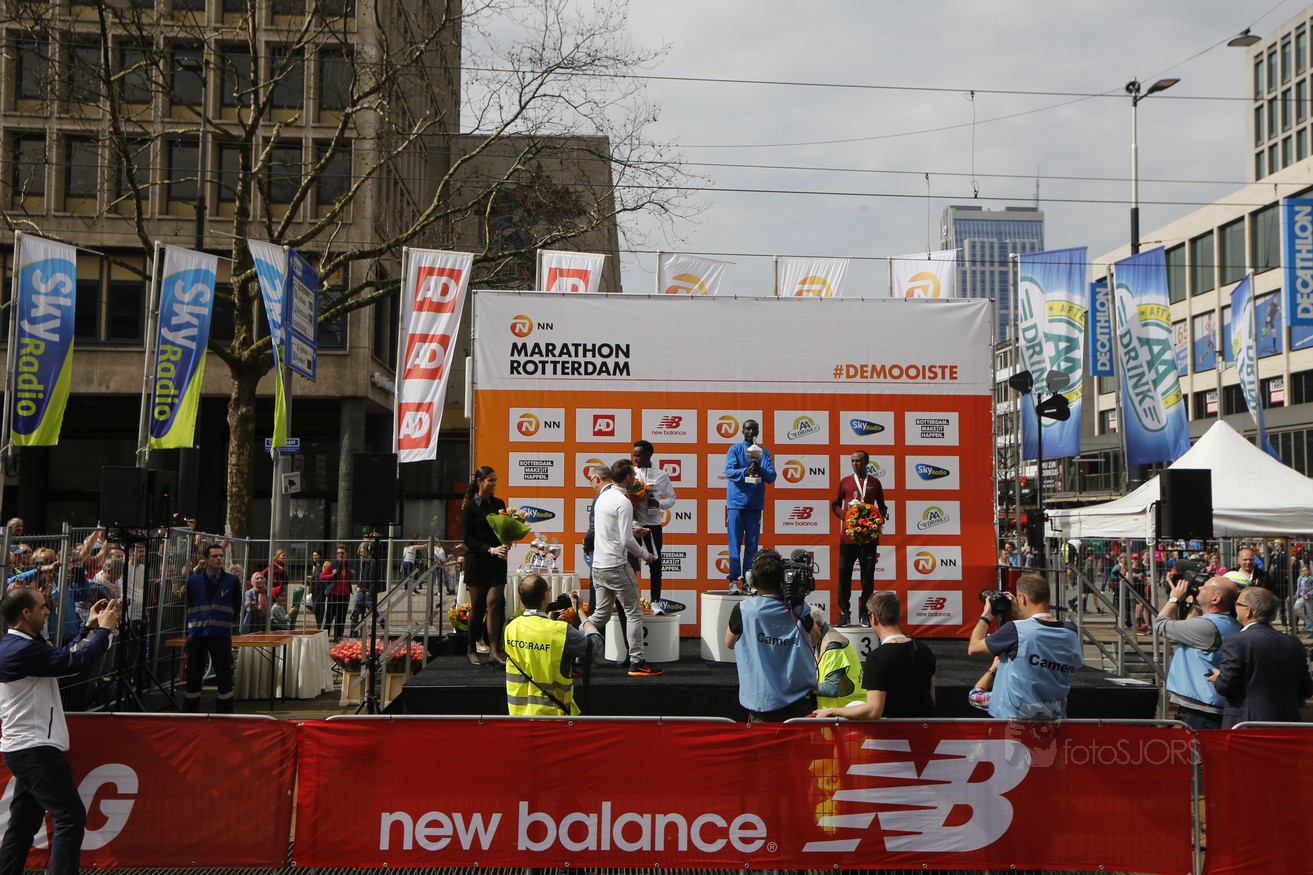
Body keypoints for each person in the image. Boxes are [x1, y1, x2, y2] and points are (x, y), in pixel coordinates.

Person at [0, 589, 120, 875]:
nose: (48, 611)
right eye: (43, 606)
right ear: (26, 613)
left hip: (27, 748)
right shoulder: (21, 649)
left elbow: (66, 657)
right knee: (70, 817)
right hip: (34, 750)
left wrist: (88, 628)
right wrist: (104, 630)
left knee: (23, 825)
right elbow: (74, 662)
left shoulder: (19, 645)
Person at [580, 459, 663, 677]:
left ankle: (573, 652)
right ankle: (637, 661)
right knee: (634, 613)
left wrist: (633, 531)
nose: (635, 479)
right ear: (627, 478)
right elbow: (626, 540)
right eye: (633, 476)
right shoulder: (623, 501)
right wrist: (647, 556)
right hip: (616, 565)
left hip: (598, 566)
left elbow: (610, 531)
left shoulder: (602, 498)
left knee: (600, 616)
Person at [968, 572, 1083, 720]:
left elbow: (973, 648)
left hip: (1014, 722)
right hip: (1053, 721)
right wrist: (1019, 612)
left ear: (1022, 598)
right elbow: (1038, 632)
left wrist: (986, 614)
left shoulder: (1014, 630)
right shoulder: (1070, 632)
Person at [813, 590, 935, 720]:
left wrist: (833, 711)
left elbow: (873, 711)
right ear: (898, 615)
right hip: (926, 729)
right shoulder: (925, 650)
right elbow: (932, 699)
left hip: (892, 731)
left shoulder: (877, 659)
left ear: (873, 618)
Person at [725, 549, 815, 720]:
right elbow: (816, 638)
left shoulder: (743, 610)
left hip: (761, 707)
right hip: (799, 705)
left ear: (751, 579)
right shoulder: (799, 608)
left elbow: (729, 642)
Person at [1208, 587, 1313, 727]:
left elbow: (1226, 686)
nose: (1234, 607)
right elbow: (1306, 690)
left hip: (1248, 725)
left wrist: (1218, 678)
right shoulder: (1293, 643)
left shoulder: (1237, 641)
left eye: (1237, 604)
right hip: (1287, 725)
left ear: (1248, 611)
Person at [1152, 568, 1241, 730]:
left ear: (1215, 599)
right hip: (1213, 702)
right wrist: (1194, 602)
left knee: (1200, 746)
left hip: (1203, 708)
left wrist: (1174, 598)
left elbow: (1160, 625)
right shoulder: (1229, 623)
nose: (1199, 588)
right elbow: (1186, 628)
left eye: (1204, 587)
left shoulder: (1207, 627)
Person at [504, 575, 591, 715]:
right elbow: (595, 647)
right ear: (546, 595)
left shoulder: (510, 627)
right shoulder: (560, 630)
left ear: (521, 598)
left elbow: (531, 649)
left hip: (518, 714)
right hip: (553, 715)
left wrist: (548, 621)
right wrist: (580, 610)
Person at [829, 450, 887, 626]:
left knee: (867, 578)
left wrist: (877, 520)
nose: (855, 464)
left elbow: (882, 507)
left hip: (869, 538)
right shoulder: (845, 482)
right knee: (844, 575)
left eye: (858, 461)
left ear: (866, 462)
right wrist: (845, 515)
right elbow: (834, 505)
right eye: (852, 461)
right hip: (848, 538)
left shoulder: (875, 483)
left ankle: (865, 613)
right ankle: (844, 612)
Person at [183, 543, 242, 713]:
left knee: (224, 675)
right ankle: (190, 714)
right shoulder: (193, 580)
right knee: (194, 675)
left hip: (221, 635)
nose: (219, 559)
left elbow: (236, 606)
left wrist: (226, 622)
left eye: (221, 556)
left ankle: (225, 714)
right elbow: (189, 603)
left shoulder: (232, 581)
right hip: (198, 635)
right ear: (206, 559)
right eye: (215, 556)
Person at [462, 466, 510, 667]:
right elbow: (468, 539)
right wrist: (489, 549)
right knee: (479, 606)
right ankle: (471, 649)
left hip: (497, 561)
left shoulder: (500, 504)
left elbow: (504, 529)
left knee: (494, 604)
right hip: (477, 560)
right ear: (480, 481)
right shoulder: (470, 507)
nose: (494, 484)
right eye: (490, 480)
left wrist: (508, 540)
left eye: (495, 480)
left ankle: (494, 651)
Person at [724, 419, 776, 591]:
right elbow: (729, 471)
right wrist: (746, 471)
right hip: (736, 504)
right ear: (743, 431)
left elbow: (771, 476)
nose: (751, 431)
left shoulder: (763, 452)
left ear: (758, 432)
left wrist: (759, 468)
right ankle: (733, 580)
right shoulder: (735, 449)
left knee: (752, 545)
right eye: (748, 428)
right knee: (735, 543)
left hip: (755, 504)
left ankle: (748, 581)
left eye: (754, 429)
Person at [630, 439, 676, 609]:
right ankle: (631, 601)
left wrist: (659, 504)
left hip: (653, 525)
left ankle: (655, 601)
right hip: (633, 525)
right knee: (630, 564)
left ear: (649, 455)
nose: (635, 459)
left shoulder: (661, 475)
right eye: (634, 455)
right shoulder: (631, 474)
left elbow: (672, 499)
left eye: (639, 455)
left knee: (656, 564)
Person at [808, 606, 864, 711]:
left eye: (805, 627)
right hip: (839, 711)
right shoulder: (822, 639)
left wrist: (802, 687)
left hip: (847, 711)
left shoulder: (832, 645)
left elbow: (831, 688)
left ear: (817, 625)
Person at [318, 545, 354, 642]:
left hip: (345, 596)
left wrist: (352, 573)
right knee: (329, 618)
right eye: (338, 553)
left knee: (341, 618)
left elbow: (350, 578)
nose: (340, 555)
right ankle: (325, 638)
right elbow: (321, 577)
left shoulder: (348, 565)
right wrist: (331, 575)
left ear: (346, 554)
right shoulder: (332, 564)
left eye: (342, 553)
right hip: (333, 596)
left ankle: (338, 638)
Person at [306, 549, 329, 628]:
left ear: (320, 556)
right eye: (313, 555)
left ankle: (322, 627)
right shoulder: (314, 566)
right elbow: (315, 577)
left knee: (318, 609)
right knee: (316, 610)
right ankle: (319, 627)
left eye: (316, 555)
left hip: (322, 590)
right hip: (314, 590)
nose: (314, 557)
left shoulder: (324, 565)